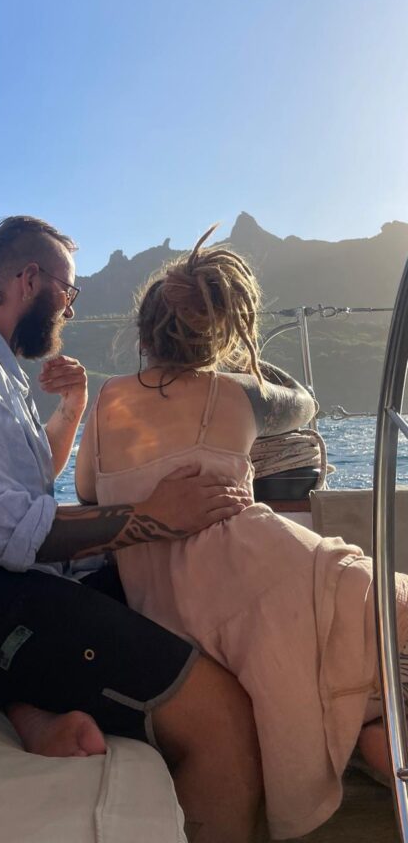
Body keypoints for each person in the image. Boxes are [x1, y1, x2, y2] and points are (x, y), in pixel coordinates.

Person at [0, 216, 262, 843]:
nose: (69, 304)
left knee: (156, 596)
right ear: (29, 280)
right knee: (220, 718)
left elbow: (27, 481)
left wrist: (72, 409)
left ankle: (30, 709)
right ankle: (31, 702)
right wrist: (151, 517)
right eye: (68, 290)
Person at [74, 226, 408, 840]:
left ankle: (374, 739)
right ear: (223, 328)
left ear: (145, 331)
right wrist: (242, 365)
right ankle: (377, 737)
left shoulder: (107, 401)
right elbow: (304, 403)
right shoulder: (239, 393)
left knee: (363, 659)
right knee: (389, 609)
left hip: (175, 607)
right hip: (262, 571)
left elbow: (89, 495)